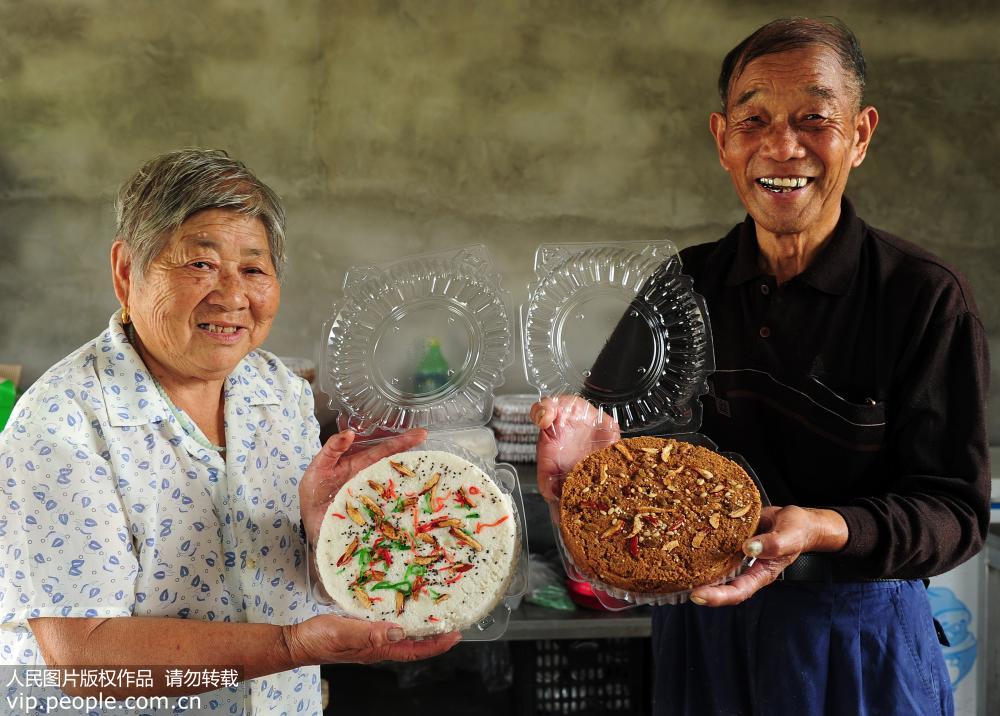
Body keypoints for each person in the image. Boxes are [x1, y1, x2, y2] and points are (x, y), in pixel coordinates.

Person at [532, 17, 989, 716]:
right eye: (755, 120)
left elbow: (955, 513)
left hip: (857, 643)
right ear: (722, 139)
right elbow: (610, 474)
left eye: (815, 118)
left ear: (860, 135)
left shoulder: (921, 297)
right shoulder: (681, 285)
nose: (783, 146)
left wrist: (821, 527)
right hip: (703, 637)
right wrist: (577, 469)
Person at [0, 149, 460, 714]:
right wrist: (290, 646)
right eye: (200, 264)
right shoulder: (61, 423)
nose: (232, 295)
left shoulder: (279, 393)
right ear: (126, 272)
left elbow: (293, 578)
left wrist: (327, 535)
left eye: (253, 268)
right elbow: (83, 658)